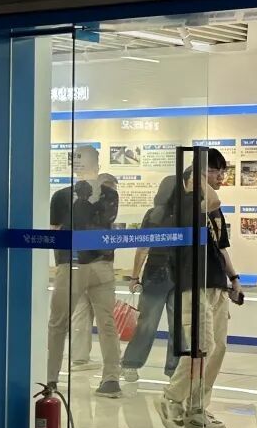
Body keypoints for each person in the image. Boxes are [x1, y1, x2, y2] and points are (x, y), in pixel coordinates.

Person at [156, 149, 242, 428]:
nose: (221, 177)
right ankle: (172, 398)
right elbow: (212, 200)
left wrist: (234, 278)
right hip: (192, 285)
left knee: (217, 349)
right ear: (200, 174)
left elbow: (221, 246)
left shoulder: (213, 208)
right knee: (202, 345)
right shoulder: (186, 202)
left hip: (216, 284)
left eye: (222, 171)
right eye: (216, 171)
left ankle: (197, 408)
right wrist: (199, 178)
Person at [46, 148, 123, 398]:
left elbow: (57, 232)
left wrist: (61, 262)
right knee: (105, 323)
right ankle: (110, 378)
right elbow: (103, 225)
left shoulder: (64, 196)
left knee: (60, 322)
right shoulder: (108, 194)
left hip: (78, 263)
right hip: (94, 264)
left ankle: (52, 378)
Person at [121, 175, 180, 382]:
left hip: (155, 274)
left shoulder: (154, 214)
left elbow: (143, 248)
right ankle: (174, 370)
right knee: (178, 326)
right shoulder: (185, 214)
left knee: (146, 323)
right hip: (180, 275)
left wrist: (134, 277)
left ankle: (131, 364)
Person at [66, 172, 119, 373]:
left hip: (78, 264)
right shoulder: (101, 211)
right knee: (105, 318)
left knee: (80, 313)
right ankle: (112, 365)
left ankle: (79, 359)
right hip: (99, 266)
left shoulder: (78, 207)